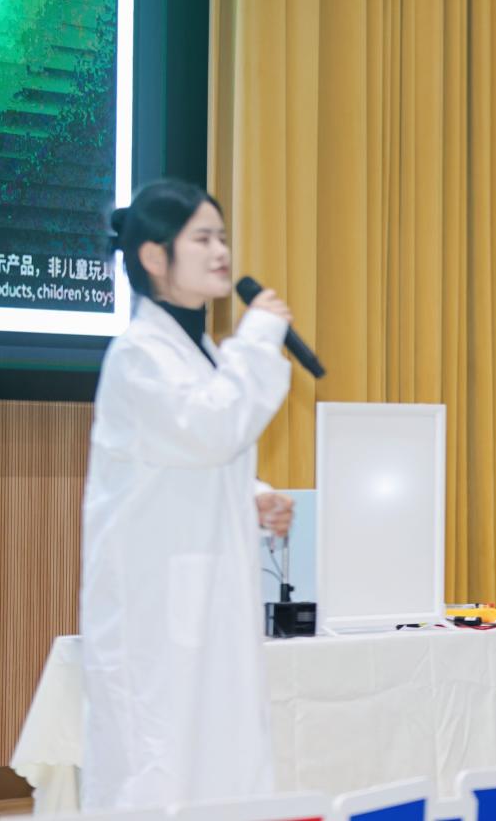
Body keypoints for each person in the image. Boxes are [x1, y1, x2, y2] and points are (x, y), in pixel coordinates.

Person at [80, 179, 295, 809]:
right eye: (202, 239)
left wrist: (251, 496)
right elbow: (208, 430)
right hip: (155, 605)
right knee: (161, 762)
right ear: (155, 255)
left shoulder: (195, 350)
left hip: (204, 595)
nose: (221, 251)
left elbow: (188, 457)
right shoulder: (139, 354)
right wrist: (257, 340)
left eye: (222, 237)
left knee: (220, 754)